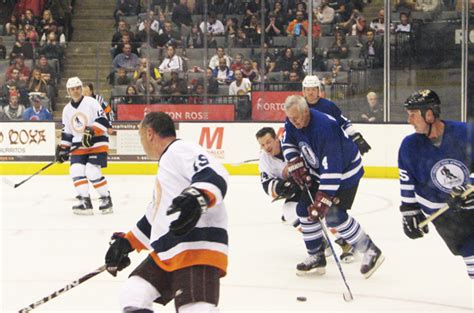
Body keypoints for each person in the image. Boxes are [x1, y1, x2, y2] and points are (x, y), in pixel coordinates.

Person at [104, 111, 229, 312]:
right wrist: (127, 242)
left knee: (195, 308)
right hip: (167, 252)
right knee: (134, 293)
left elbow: (215, 174)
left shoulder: (179, 150)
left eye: (141, 136)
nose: (142, 141)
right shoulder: (167, 165)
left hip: (195, 247)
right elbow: (157, 216)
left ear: (150, 133)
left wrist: (197, 199)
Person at [282, 95, 384, 278]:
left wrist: (324, 197)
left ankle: (370, 250)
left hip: (345, 174)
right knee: (303, 209)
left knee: (334, 216)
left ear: (306, 112)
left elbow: (333, 168)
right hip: (319, 171)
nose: (292, 121)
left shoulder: (324, 127)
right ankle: (316, 256)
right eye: (290, 117)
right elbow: (288, 142)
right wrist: (294, 161)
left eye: (296, 117)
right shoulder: (292, 121)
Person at [398, 89, 474, 279]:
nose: (410, 121)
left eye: (413, 115)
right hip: (445, 217)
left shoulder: (465, 134)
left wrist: (470, 189)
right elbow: (406, 180)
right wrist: (409, 212)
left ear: (429, 114)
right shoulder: (409, 146)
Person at [256, 126, 355, 263]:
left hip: (315, 181)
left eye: (268, 142)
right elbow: (267, 184)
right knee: (289, 211)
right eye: (262, 144)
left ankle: (346, 242)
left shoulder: (290, 145)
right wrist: (281, 187)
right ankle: (319, 242)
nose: (266, 147)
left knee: (323, 211)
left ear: (276, 139)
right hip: (299, 188)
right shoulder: (264, 159)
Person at [55, 77, 113, 215]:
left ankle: (106, 198)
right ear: (68, 91)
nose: (75, 91)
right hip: (78, 144)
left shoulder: (91, 102)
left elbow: (103, 120)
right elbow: (67, 133)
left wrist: (92, 130)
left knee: (92, 171)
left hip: (97, 141)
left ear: (81, 89)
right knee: (75, 170)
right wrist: (63, 149)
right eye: (72, 89)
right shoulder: (67, 110)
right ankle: (85, 201)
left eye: (77, 88)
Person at [301, 75, 371, 155]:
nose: (310, 92)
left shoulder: (328, 105)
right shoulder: (299, 107)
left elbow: (343, 122)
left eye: (313, 89)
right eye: (308, 89)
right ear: (304, 91)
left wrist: (355, 136)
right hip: (307, 150)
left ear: (318, 90)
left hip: (327, 148)